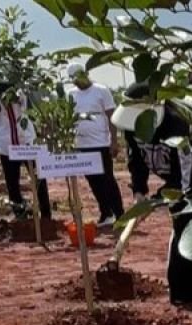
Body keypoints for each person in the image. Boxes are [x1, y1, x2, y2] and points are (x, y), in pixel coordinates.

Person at [113, 83, 192, 317]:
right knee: (183, 230)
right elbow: (136, 161)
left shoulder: (177, 125)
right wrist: (139, 192)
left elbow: (187, 177)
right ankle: (186, 291)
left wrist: (154, 202)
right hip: (178, 186)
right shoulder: (132, 127)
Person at [66, 62, 126, 228]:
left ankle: (120, 214)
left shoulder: (101, 90)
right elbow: (68, 117)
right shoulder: (71, 94)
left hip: (100, 143)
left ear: (85, 73)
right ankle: (105, 213)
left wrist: (114, 141)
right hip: (81, 144)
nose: (76, 81)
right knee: (93, 181)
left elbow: (111, 116)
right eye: (73, 78)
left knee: (107, 179)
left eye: (78, 76)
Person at [0, 82, 51, 220]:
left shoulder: (21, 97)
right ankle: (20, 212)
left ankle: (45, 213)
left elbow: (32, 111)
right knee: (12, 182)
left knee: (38, 178)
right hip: (7, 146)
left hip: (27, 142)